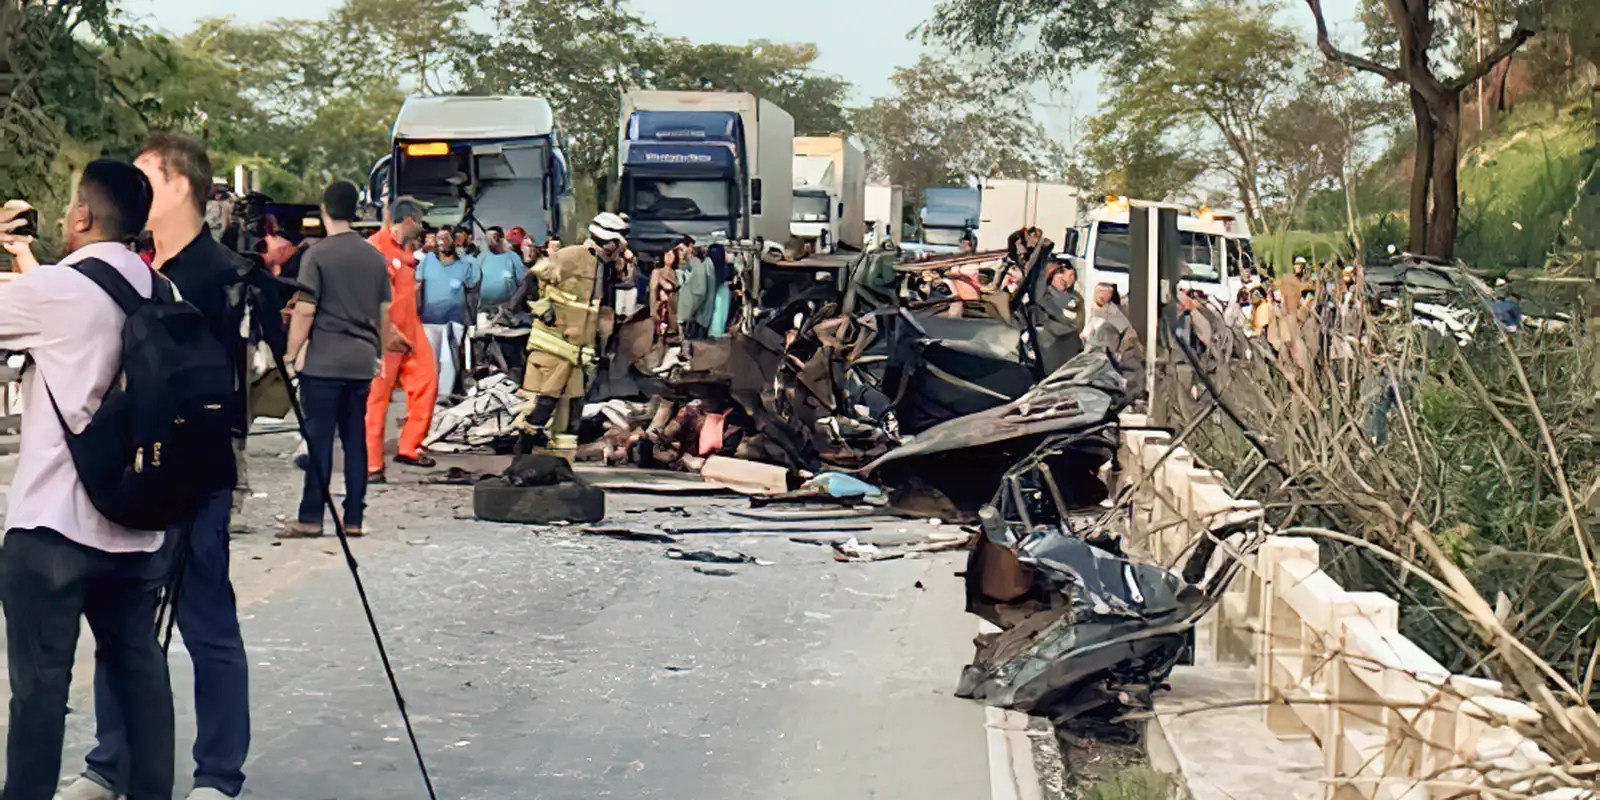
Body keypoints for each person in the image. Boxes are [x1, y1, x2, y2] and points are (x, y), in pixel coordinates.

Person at [59, 133, 262, 800]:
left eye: (146, 175)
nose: (136, 188)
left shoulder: (219, 274)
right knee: (123, 617)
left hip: (198, 469)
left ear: (178, 186)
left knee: (207, 620)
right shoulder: (135, 266)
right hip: (136, 470)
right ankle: (108, 762)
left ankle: (218, 773)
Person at [0, 163, 177, 800]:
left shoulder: (61, 290)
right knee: (139, 674)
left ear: (81, 218)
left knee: (41, 693)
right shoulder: (161, 291)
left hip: (53, 527)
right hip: (138, 526)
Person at [280, 182, 396, 539]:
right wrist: (377, 353)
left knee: (319, 439)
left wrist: (290, 352)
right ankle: (354, 518)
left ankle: (312, 516)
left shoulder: (318, 255)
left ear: (325, 210)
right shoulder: (374, 256)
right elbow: (385, 312)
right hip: (361, 362)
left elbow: (306, 310)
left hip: (324, 363)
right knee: (354, 439)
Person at [516, 213, 629, 446]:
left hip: (577, 349)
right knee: (545, 402)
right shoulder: (570, 256)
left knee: (571, 406)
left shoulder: (600, 265)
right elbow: (532, 279)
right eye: (618, 243)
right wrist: (544, 310)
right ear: (609, 243)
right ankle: (526, 448)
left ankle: (560, 457)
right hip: (555, 343)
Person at [365, 198, 438, 482]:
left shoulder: (404, 249)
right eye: (418, 223)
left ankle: (410, 446)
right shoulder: (376, 249)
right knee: (376, 399)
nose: (421, 230)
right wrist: (386, 331)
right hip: (385, 331)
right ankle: (372, 465)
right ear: (408, 221)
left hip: (411, 327)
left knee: (427, 380)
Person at [417, 231, 479, 402]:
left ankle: (444, 395)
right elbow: (418, 286)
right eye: (439, 239)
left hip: (455, 318)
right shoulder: (428, 260)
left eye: (446, 238)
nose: (442, 242)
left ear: (453, 241)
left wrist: (471, 320)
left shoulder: (465, 263)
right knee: (430, 360)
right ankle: (429, 394)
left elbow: (471, 290)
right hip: (429, 319)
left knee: (449, 360)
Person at [477, 225, 524, 314]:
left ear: (501, 239)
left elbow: (522, 284)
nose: (490, 242)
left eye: (494, 238)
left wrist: (513, 305)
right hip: (485, 309)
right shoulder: (482, 257)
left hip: (507, 310)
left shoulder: (513, 257)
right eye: (488, 239)